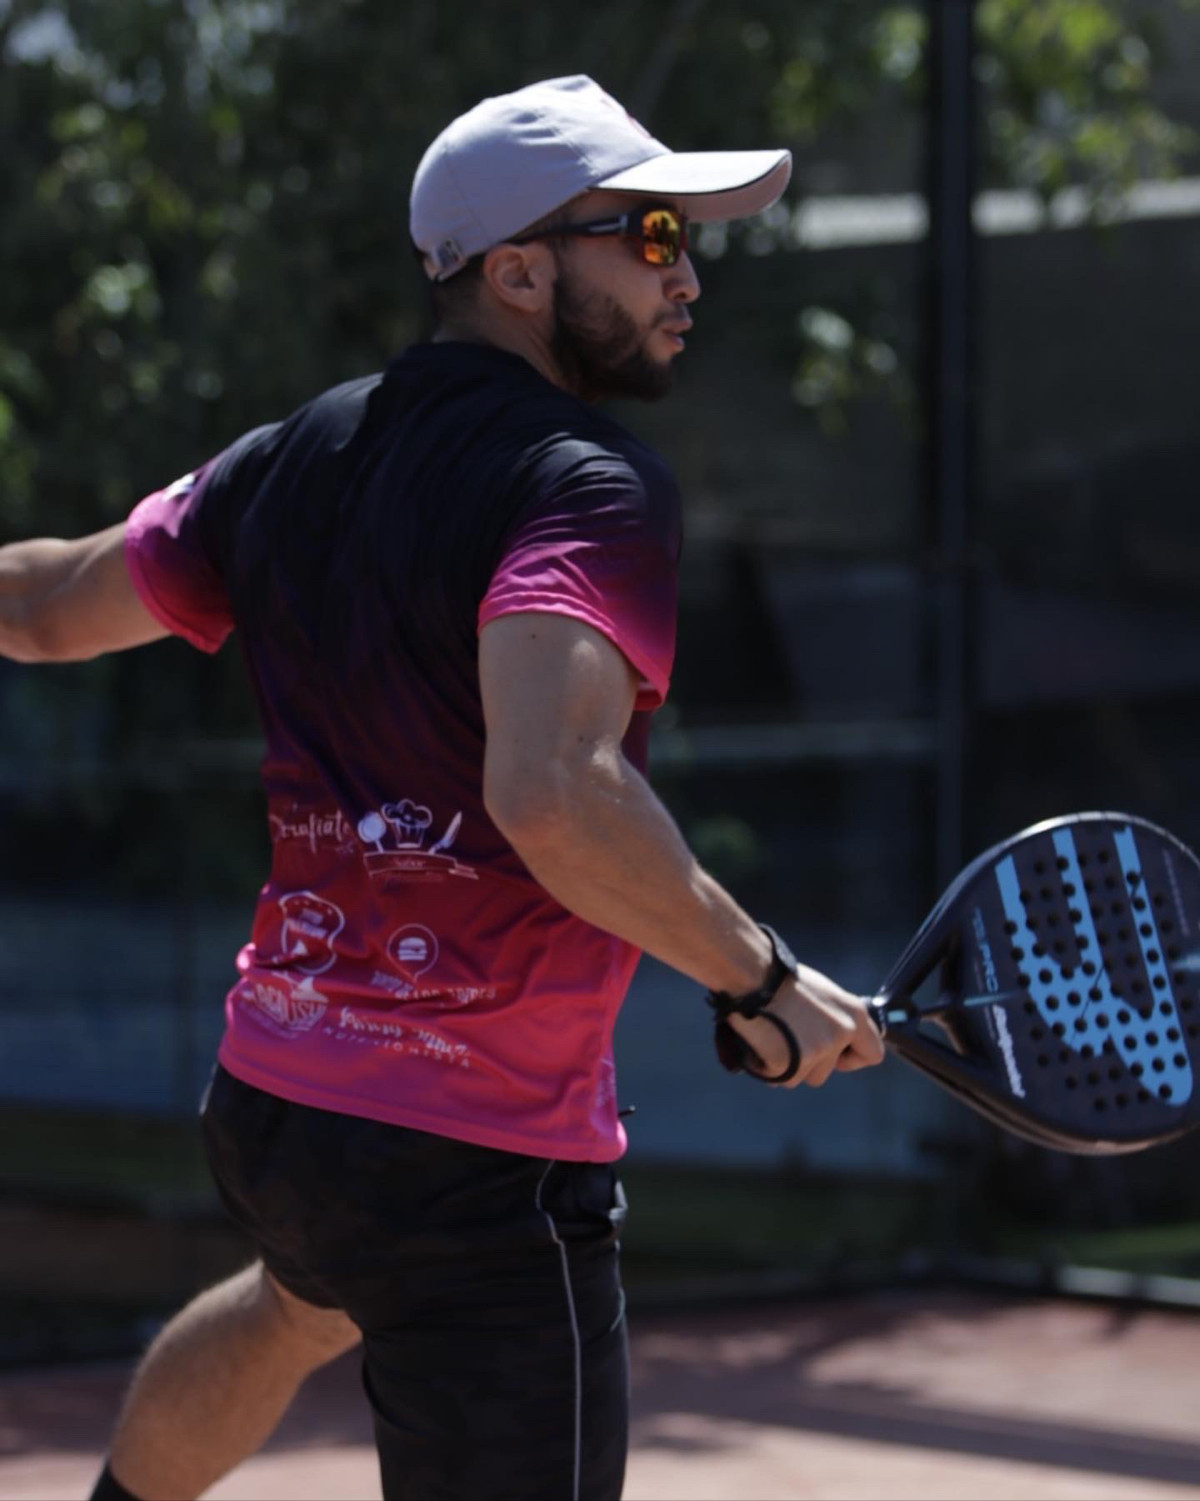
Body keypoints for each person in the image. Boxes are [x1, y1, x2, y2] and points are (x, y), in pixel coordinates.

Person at [0, 75, 884, 1501]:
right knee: (333, 1296)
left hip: (279, 1101)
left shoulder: (289, 458)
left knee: (300, 1298)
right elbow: (555, 793)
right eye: (651, 235)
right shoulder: (588, 484)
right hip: (477, 1160)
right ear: (518, 273)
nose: (687, 275)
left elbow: (42, 608)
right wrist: (758, 978)